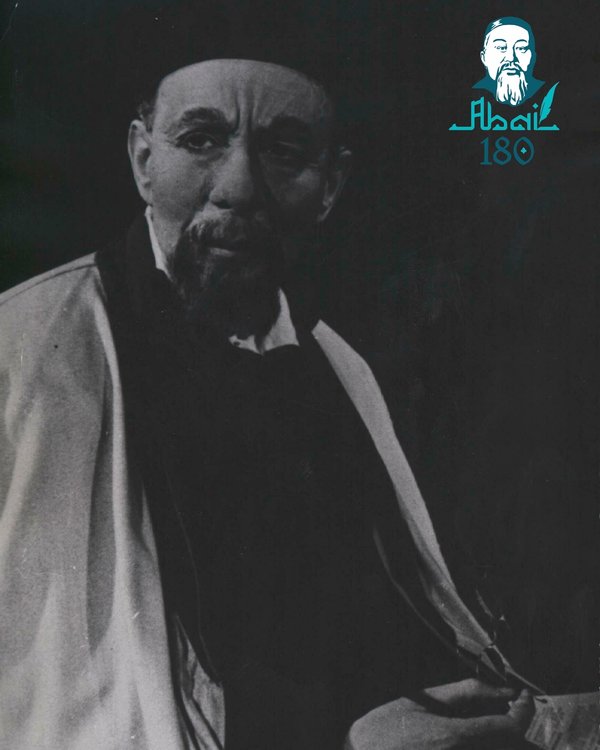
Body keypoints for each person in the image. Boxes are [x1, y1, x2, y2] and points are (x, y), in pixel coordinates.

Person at [0, 55, 534, 749]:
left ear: (330, 187)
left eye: (283, 151)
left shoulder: (346, 372)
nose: (239, 188)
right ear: (143, 161)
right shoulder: (24, 350)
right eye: (200, 141)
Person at [473, 17, 545, 106]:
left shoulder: (548, 92)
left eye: (521, 48)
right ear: (484, 57)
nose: (511, 58)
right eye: (501, 47)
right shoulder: (470, 96)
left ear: (533, 57)